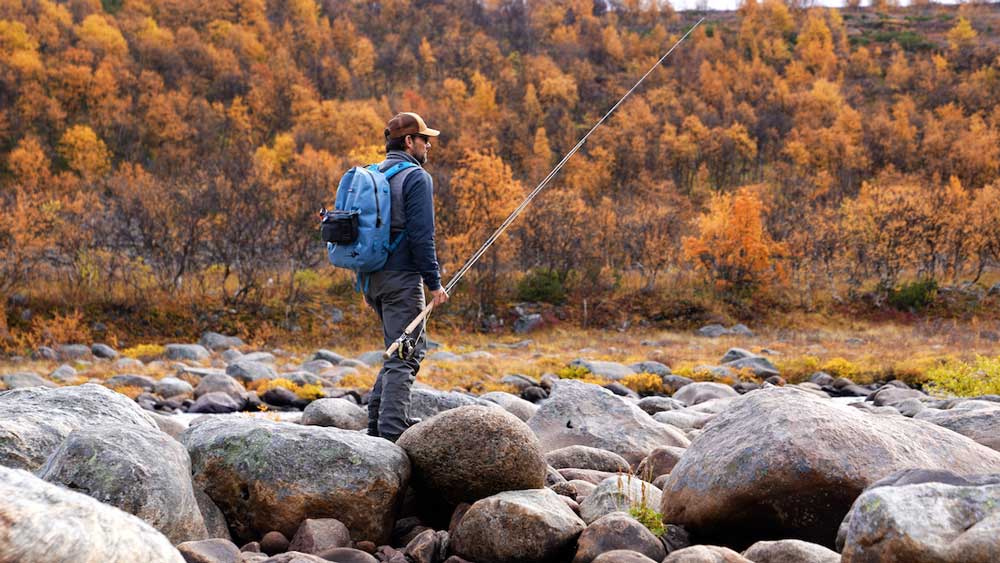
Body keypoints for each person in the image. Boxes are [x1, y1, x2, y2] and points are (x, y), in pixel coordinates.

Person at [364, 112, 449, 442]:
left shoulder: (376, 174)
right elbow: (421, 236)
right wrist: (434, 283)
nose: (429, 144)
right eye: (424, 139)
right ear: (408, 142)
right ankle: (392, 430)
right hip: (401, 279)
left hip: (372, 278)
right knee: (407, 352)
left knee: (395, 348)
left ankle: (376, 426)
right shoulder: (415, 178)